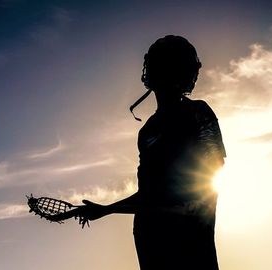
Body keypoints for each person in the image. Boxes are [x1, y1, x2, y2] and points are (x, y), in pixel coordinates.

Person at [78, 35, 227, 270]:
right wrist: (105, 209)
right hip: (151, 244)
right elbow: (150, 195)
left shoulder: (198, 113)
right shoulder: (148, 130)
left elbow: (199, 192)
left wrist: (110, 209)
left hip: (190, 248)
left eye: (170, 65)